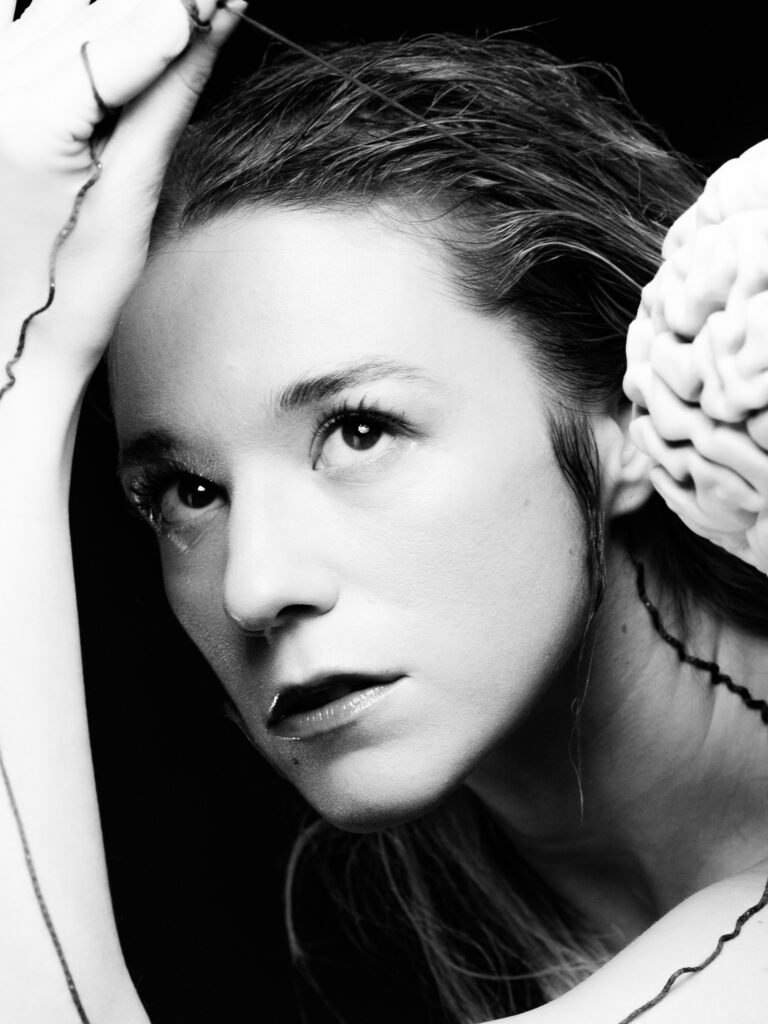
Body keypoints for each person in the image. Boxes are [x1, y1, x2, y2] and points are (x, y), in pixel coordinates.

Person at [2, 1, 768, 1022]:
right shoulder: (374, 951)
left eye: (360, 432)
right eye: (188, 493)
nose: (255, 586)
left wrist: (17, 371)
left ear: (621, 409)